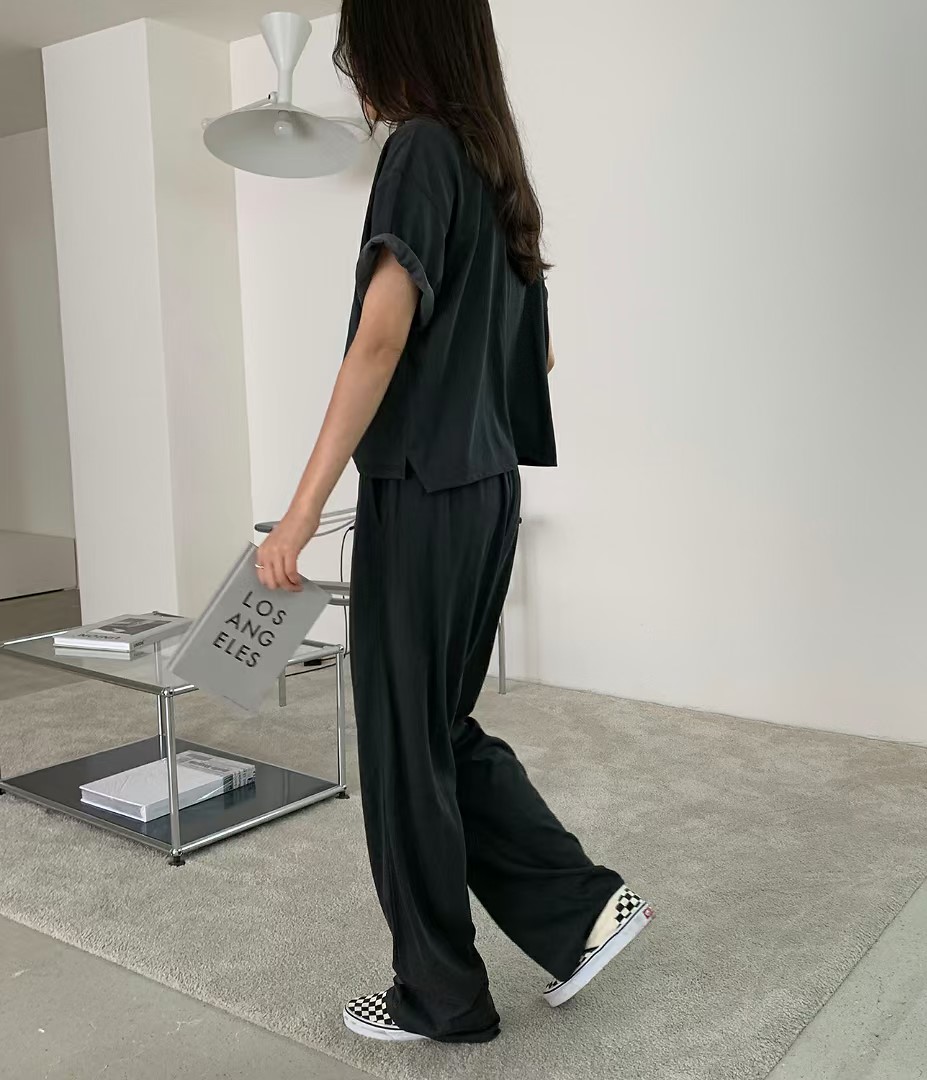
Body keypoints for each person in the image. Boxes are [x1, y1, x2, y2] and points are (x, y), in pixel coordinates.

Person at [255, 0, 653, 1045]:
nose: (355, 74)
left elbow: (380, 339)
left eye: (358, 50)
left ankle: (440, 995)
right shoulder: (496, 170)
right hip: (485, 484)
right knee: (434, 730)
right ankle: (583, 912)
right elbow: (539, 355)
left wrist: (299, 513)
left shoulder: (421, 150)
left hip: (426, 488)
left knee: (401, 747)